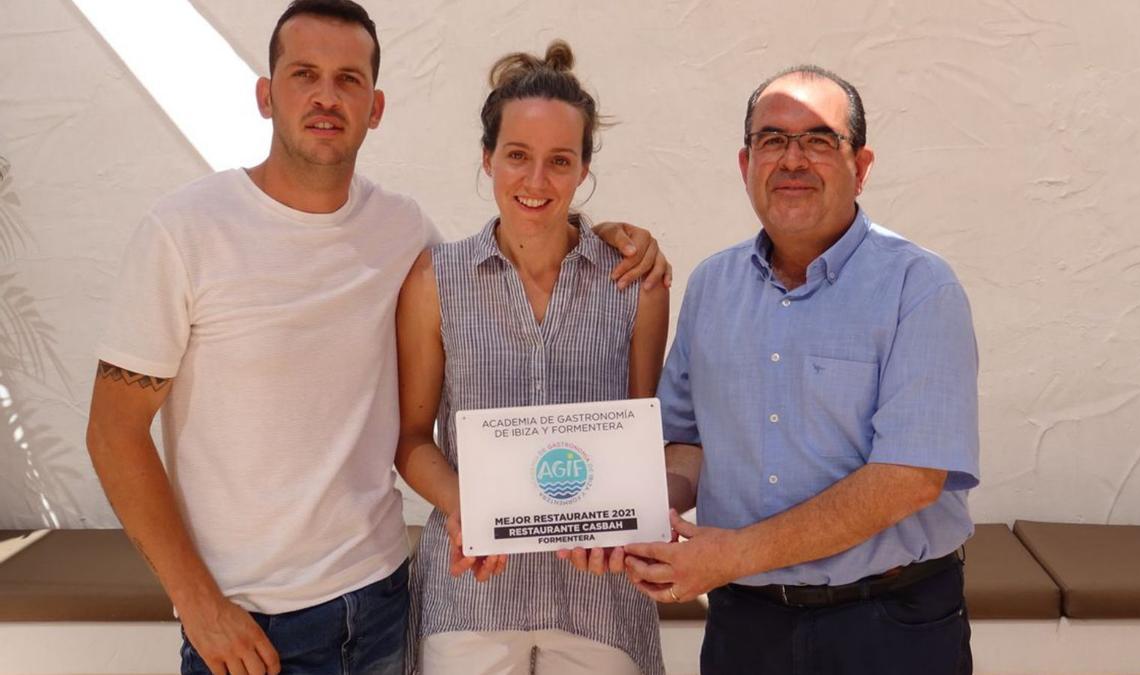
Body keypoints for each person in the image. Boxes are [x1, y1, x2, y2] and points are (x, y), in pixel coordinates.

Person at [83, 2, 667, 673]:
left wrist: (607, 235)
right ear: (265, 93)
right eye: (304, 74)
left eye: (349, 79)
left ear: (377, 105)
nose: (327, 96)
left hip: (382, 601)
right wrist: (197, 603)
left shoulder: (403, 233)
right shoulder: (185, 232)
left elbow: (518, 251)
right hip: (252, 621)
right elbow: (112, 433)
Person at [623, 65, 980, 675]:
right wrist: (629, 516)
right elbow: (687, 440)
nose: (792, 159)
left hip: (889, 627)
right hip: (747, 626)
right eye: (772, 140)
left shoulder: (918, 287)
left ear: (861, 166)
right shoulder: (713, 286)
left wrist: (732, 555)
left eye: (819, 140)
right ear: (745, 165)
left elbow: (909, 478)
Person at [395, 41, 669, 675]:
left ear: (583, 170)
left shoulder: (634, 283)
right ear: (487, 158)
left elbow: (643, 442)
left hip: (600, 598)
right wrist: (469, 508)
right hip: (474, 596)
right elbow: (411, 438)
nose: (536, 181)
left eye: (559, 161)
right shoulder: (435, 281)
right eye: (517, 156)